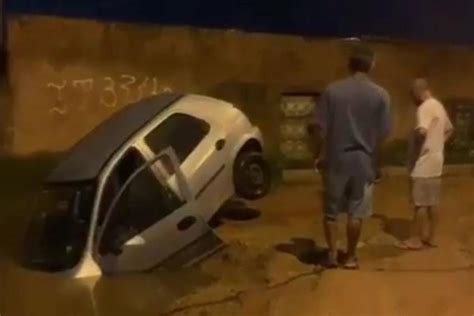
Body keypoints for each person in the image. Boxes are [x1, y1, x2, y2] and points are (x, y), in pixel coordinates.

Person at [315, 44, 391, 269]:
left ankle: (330, 255)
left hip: (336, 159)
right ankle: (350, 256)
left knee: (331, 212)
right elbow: (383, 135)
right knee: (356, 212)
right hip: (364, 161)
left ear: (350, 65)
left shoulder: (332, 91)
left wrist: (318, 154)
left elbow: (319, 128)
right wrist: (377, 164)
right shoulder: (381, 95)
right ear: (371, 65)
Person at [399, 78, 453, 250]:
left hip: (423, 161)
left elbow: (421, 131)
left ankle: (416, 239)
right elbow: (450, 129)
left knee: (420, 203)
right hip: (437, 160)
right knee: (432, 202)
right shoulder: (438, 105)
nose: (412, 99)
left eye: (412, 95)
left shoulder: (424, 108)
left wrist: (416, 150)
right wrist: (438, 144)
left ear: (417, 91)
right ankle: (432, 237)